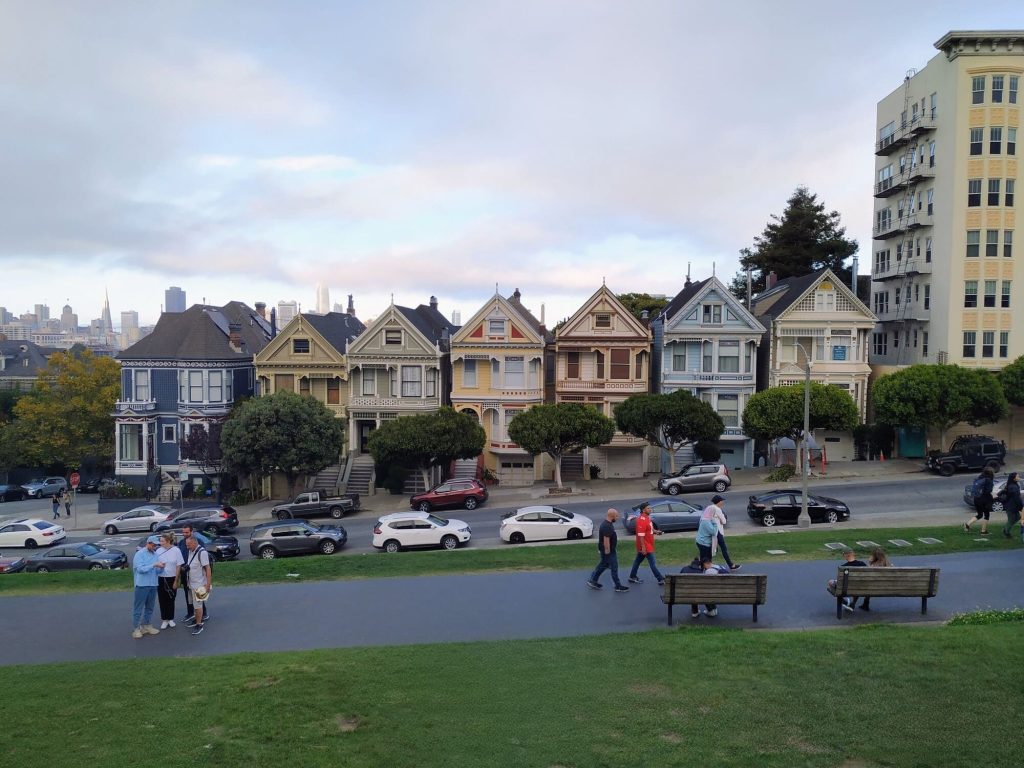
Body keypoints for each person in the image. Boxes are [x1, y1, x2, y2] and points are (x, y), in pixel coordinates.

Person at [586, 509, 628, 593]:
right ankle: (618, 586)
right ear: (612, 516)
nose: (617, 517)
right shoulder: (607, 526)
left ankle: (593, 580)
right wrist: (608, 552)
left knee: (602, 565)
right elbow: (606, 540)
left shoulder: (607, 524)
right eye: (616, 516)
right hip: (609, 551)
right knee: (614, 567)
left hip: (606, 550)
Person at [177, 524, 211, 623]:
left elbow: (204, 562)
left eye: (187, 532)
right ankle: (190, 613)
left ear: (192, 532)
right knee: (188, 596)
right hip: (186, 575)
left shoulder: (198, 542)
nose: (185, 534)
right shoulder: (181, 543)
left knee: (199, 596)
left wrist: (207, 582)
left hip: (198, 575)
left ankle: (203, 613)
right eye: (183, 532)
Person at [131, 537, 164, 638]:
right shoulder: (139, 554)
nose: (155, 547)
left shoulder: (155, 554)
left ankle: (146, 625)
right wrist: (153, 565)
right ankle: (136, 629)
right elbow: (140, 569)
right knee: (138, 608)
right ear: (148, 543)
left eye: (156, 545)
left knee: (150, 607)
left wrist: (161, 568)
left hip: (153, 584)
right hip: (142, 584)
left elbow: (157, 571)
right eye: (153, 545)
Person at [628, 504, 665, 586]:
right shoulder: (641, 520)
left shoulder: (647, 518)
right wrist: (643, 548)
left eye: (650, 508)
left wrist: (656, 532)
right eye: (648, 508)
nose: (650, 509)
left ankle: (632, 577)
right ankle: (660, 579)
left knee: (637, 561)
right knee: (652, 563)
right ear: (643, 510)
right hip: (645, 545)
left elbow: (649, 528)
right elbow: (641, 535)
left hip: (647, 544)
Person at [701, 495, 741, 571]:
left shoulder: (709, 508)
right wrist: (720, 518)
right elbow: (724, 521)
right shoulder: (718, 509)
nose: (723, 502)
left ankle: (704, 566)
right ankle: (731, 565)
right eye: (722, 501)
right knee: (723, 548)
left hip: (710, 531)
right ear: (719, 502)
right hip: (717, 532)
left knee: (711, 549)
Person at [155, 532, 184, 630]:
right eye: (160, 541)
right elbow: (155, 562)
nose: (160, 543)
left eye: (162, 541)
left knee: (171, 599)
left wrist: (176, 580)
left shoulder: (176, 550)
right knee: (162, 599)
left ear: (168, 541)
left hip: (171, 578)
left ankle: (171, 618)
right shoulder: (158, 551)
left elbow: (178, 565)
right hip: (161, 578)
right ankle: (164, 619)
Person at [184, 536, 212, 635]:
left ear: (195, 543)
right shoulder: (191, 551)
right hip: (191, 583)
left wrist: (208, 585)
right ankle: (197, 619)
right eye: (186, 545)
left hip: (200, 585)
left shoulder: (202, 553)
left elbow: (208, 569)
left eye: (189, 545)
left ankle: (199, 624)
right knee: (194, 605)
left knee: (198, 605)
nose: (187, 547)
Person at [853, 547, 892, 611]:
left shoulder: (874, 565)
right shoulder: (887, 564)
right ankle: (865, 604)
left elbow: (867, 574)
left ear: (874, 556)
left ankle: (853, 603)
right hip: (882, 586)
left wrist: (870, 562)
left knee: (860, 584)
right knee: (869, 584)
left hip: (873, 586)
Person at [964, 467, 995, 535]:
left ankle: (967, 524)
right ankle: (983, 531)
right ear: (991, 473)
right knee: (986, 515)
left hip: (976, 499)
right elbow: (988, 491)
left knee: (980, 514)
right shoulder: (988, 480)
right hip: (984, 499)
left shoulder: (979, 478)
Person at [1000, 472, 1022, 539]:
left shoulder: (1012, 485)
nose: (1019, 477)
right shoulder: (1013, 487)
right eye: (1018, 476)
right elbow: (1016, 498)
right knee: (1011, 520)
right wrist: (1021, 507)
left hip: (1012, 506)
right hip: (1011, 506)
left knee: (1017, 517)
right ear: (1014, 478)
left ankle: (1006, 529)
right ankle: (1006, 532)